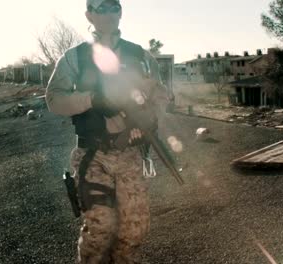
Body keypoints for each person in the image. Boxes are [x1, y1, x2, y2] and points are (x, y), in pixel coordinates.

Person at [45, 0, 169, 263]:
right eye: (100, 7)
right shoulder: (74, 57)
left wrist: (146, 123)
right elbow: (54, 99)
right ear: (89, 14)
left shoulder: (141, 56)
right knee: (100, 228)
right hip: (92, 154)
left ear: (121, 12)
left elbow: (159, 96)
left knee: (135, 230)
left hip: (130, 154)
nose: (108, 12)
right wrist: (92, 99)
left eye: (113, 6)